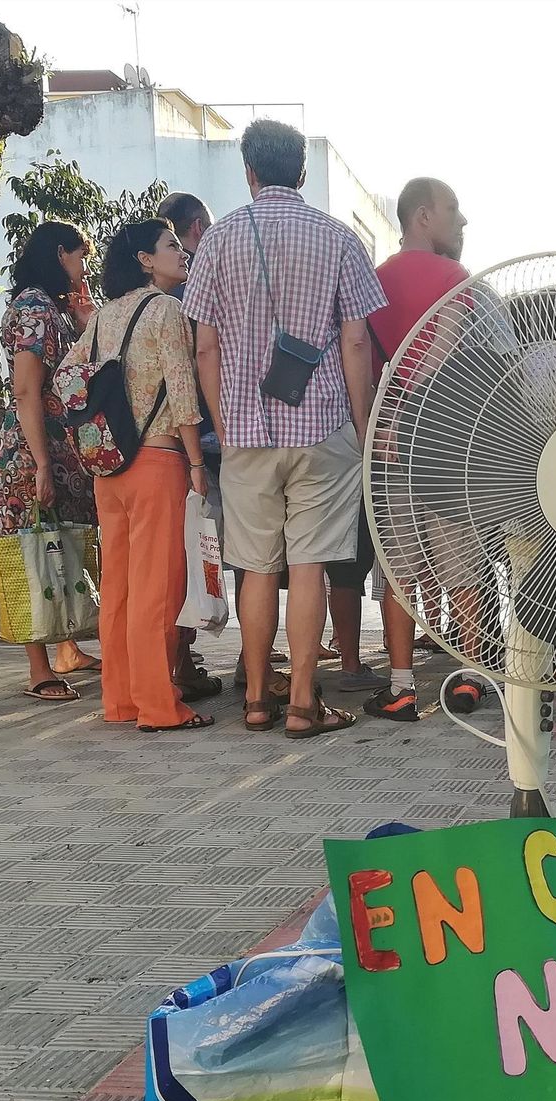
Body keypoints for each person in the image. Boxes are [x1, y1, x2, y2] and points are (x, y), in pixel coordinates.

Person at [184, 120, 386, 739]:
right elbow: (356, 341)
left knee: (256, 566)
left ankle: (253, 698)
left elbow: (205, 348)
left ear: (249, 171)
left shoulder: (216, 242)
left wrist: (225, 422)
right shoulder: (340, 239)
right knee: (309, 567)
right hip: (322, 427)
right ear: (301, 172)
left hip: (246, 431)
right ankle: (302, 703)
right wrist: (362, 424)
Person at [62, 219, 213, 731]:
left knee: (121, 588)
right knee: (158, 590)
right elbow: (183, 392)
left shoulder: (104, 316)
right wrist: (196, 463)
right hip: (157, 462)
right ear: (145, 260)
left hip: (110, 468)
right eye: (172, 246)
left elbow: (66, 376)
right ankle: (158, 706)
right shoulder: (167, 310)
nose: (181, 253)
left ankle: (121, 701)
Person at [362, 177, 481, 722]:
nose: (461, 219)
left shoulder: (374, 282)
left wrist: (377, 423)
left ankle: (402, 685)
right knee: (461, 563)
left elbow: (359, 359)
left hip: (389, 441)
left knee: (400, 567)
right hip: (450, 442)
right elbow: (459, 350)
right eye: (452, 208)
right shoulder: (457, 279)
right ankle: (470, 677)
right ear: (422, 216)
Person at [0, 220, 103, 701]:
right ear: (60, 253)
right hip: (33, 447)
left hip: (54, 446)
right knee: (30, 551)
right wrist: (40, 462)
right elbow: (26, 389)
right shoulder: (35, 305)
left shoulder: (50, 307)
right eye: (79, 256)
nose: (83, 266)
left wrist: (83, 323)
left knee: (60, 545)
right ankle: (39, 667)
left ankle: (66, 648)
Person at [157, 191, 233, 702]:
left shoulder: (127, 306)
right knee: (219, 554)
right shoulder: (182, 302)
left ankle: (178, 662)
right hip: (202, 445)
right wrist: (201, 455)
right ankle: (182, 663)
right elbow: (188, 380)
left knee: (183, 557)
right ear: (198, 228)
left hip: (166, 448)